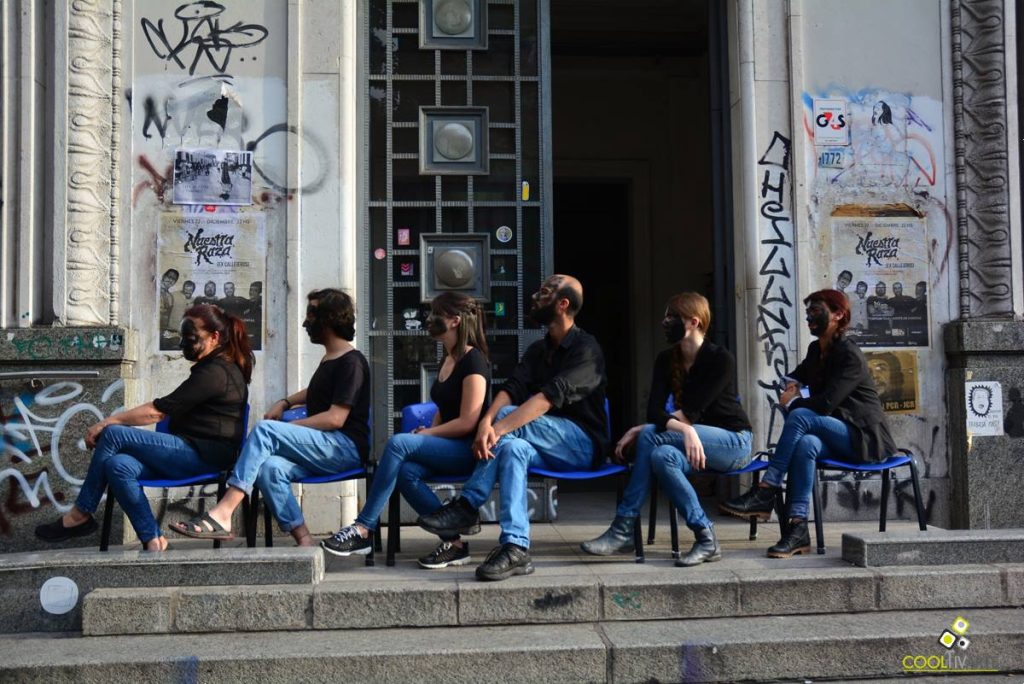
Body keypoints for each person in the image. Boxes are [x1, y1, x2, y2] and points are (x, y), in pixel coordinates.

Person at [417, 274, 609, 581]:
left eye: (544, 292)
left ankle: (468, 505)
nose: (535, 296)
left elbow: (547, 399)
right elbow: (513, 387)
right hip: (539, 443)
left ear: (562, 304)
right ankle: (516, 547)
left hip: (580, 445)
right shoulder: (537, 350)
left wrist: (497, 425)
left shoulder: (587, 349)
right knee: (512, 448)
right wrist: (486, 422)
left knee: (508, 422)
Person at [35, 304, 253, 551]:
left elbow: (158, 411)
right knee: (117, 465)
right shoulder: (212, 367)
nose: (183, 344)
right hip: (188, 451)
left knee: (113, 434)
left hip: (205, 456)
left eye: (191, 338)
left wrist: (107, 422)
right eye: (182, 337)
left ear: (214, 337)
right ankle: (153, 540)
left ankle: (80, 514)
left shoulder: (217, 372)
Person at [172, 288, 370, 545]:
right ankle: (305, 541)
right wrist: (285, 402)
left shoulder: (352, 362)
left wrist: (289, 428)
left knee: (266, 430)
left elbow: (335, 419)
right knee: (269, 469)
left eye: (311, 314)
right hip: (324, 446)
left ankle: (224, 512)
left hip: (343, 448)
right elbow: (317, 391)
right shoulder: (331, 359)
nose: (305, 323)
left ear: (329, 318)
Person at [719, 289, 896, 557]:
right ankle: (798, 528)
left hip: (864, 438)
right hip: (835, 435)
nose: (809, 317)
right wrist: (791, 385)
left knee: (800, 415)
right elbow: (794, 376)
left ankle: (766, 489)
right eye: (807, 312)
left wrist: (793, 401)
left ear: (838, 314)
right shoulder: (816, 350)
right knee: (807, 445)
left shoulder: (849, 354)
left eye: (816, 311)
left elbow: (826, 404)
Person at [582, 293, 753, 566]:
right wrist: (683, 430)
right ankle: (706, 537)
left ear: (694, 322)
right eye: (666, 316)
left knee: (651, 435)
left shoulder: (720, 359)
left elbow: (691, 412)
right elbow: (654, 411)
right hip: (691, 443)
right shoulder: (666, 359)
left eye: (673, 317)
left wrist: (664, 429)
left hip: (733, 443)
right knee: (661, 457)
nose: (665, 322)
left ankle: (623, 529)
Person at [321, 292, 490, 568]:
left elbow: (468, 422)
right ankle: (454, 543)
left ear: (455, 321)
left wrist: (428, 435)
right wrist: (431, 429)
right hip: (448, 446)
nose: (429, 318)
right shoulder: (448, 358)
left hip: (468, 450)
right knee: (405, 472)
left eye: (436, 314)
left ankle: (363, 528)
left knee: (398, 443)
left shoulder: (474, 361)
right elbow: (443, 408)